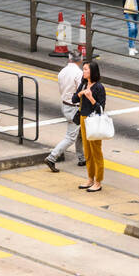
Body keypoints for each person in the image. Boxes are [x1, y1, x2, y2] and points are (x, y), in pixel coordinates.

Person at [44, 49, 84, 172]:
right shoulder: (79, 73)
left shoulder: (62, 72)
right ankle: (52, 157)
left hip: (65, 105)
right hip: (75, 107)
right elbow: (79, 92)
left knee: (81, 133)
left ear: (69, 59)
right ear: (81, 60)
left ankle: (81, 158)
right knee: (71, 137)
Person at [73, 59, 106, 191]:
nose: (84, 71)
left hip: (94, 121)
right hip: (83, 119)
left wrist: (91, 98)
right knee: (87, 151)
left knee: (96, 152)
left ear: (92, 71)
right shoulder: (83, 84)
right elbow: (74, 99)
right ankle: (90, 178)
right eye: (84, 69)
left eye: (86, 69)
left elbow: (101, 109)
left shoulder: (99, 87)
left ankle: (98, 181)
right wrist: (81, 93)